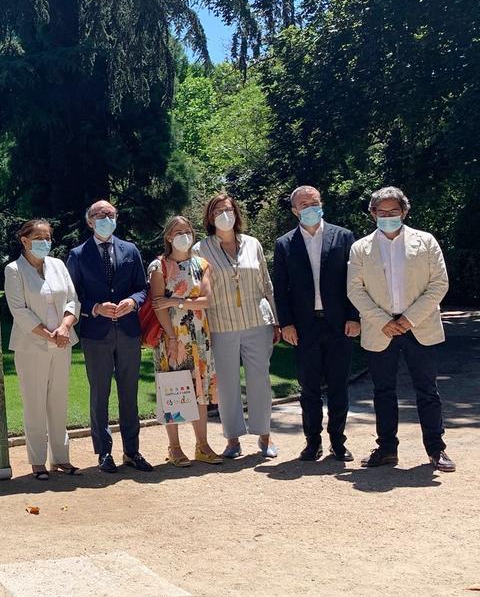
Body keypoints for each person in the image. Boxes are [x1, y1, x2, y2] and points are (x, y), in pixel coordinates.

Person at [347, 187, 454, 472]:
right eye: (381, 213)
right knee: (383, 391)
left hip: (420, 326)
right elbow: (355, 290)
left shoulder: (426, 242)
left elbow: (439, 284)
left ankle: (436, 448)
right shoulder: (360, 248)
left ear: (405, 212)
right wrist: (383, 320)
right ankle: (386, 449)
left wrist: (409, 319)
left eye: (393, 212)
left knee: (427, 390)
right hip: (380, 329)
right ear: (372, 214)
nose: (388, 217)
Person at [65, 200, 153, 474]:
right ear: (90, 221)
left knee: (129, 393)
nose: (106, 217)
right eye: (100, 214)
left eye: (111, 214)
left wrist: (133, 301)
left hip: (127, 331)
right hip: (96, 333)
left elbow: (142, 288)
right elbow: (72, 294)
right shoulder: (78, 254)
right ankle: (104, 453)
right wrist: (95, 307)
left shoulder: (130, 250)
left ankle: (132, 450)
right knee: (99, 395)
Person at [273, 186, 359, 462]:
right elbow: (281, 288)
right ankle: (313, 442)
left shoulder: (343, 237)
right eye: (303, 203)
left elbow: (355, 281)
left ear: (322, 204)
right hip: (304, 326)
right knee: (308, 388)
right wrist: (285, 323)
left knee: (338, 387)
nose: (310, 207)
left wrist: (354, 316)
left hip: (339, 324)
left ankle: (338, 442)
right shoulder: (285, 244)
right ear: (294, 210)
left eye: (314, 202)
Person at [194, 194, 280, 459]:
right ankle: (232, 439)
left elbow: (266, 284)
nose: (224, 214)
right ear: (210, 217)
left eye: (229, 209)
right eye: (218, 210)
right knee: (227, 385)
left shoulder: (252, 244)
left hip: (257, 321)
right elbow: (197, 289)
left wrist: (276, 320)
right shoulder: (200, 249)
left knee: (259, 380)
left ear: (236, 213)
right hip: (221, 324)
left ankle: (264, 436)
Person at [5, 219, 80, 480]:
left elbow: (72, 300)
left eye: (48, 237)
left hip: (62, 342)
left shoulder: (58, 265)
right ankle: (37, 461)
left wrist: (63, 328)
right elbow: (19, 310)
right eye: (39, 237)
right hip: (31, 346)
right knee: (34, 402)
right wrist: (48, 334)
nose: (45, 242)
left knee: (58, 401)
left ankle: (61, 458)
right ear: (24, 240)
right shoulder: (14, 270)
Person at [148, 216, 222, 467]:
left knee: (200, 390)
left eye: (188, 231)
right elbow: (159, 305)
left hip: (200, 337)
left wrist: (175, 302)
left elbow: (206, 300)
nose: (184, 235)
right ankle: (174, 447)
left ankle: (202, 444)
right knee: (173, 390)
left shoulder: (202, 264)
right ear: (168, 236)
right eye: (178, 232)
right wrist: (171, 337)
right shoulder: (159, 267)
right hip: (172, 337)